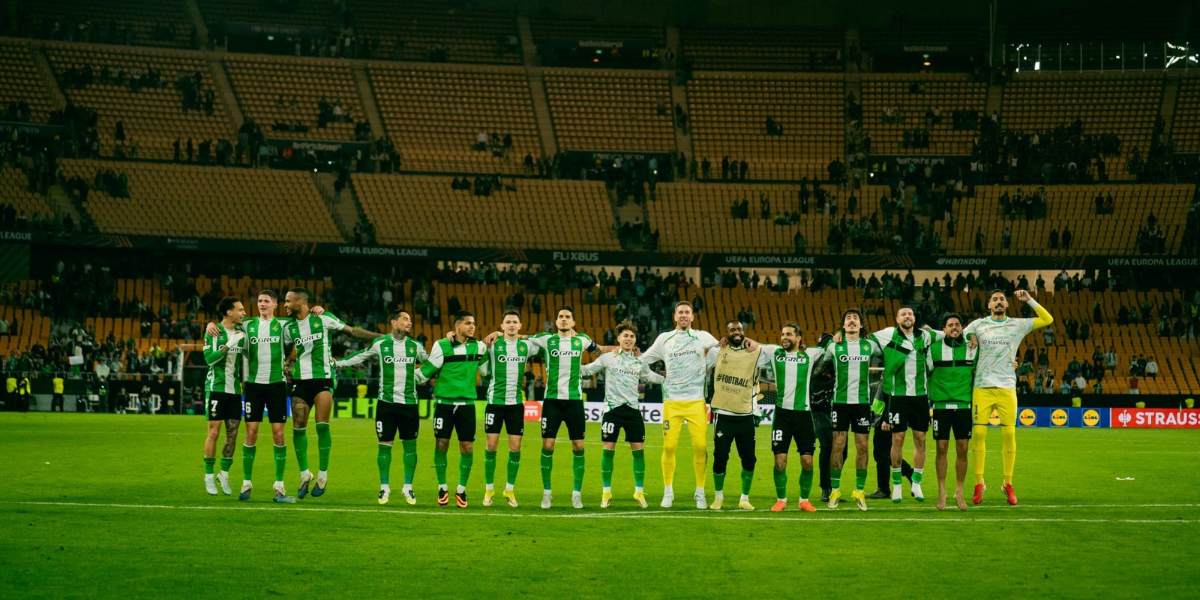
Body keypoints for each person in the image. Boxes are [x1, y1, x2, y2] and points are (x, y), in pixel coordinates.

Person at [281, 287, 383, 499]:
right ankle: (304, 475)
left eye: (288, 301)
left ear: (301, 302)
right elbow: (282, 349)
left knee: (321, 425)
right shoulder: (288, 328)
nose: (285, 305)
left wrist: (381, 337)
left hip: (324, 379)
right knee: (298, 428)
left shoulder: (324, 318)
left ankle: (323, 475)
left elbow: (352, 332)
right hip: (300, 381)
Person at [966, 289, 1053, 506]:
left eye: (1002, 299)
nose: (998, 302)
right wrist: (971, 334)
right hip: (982, 387)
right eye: (994, 299)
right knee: (977, 433)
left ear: (1007, 305)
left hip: (1006, 387)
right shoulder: (978, 324)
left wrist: (1029, 300)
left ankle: (1008, 483)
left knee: (1009, 435)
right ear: (988, 305)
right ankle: (979, 483)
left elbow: (1047, 319)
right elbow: (955, 334)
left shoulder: (1017, 324)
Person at [334, 309, 427, 505]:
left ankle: (408, 487)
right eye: (405, 319)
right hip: (386, 404)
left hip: (409, 404)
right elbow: (360, 356)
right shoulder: (381, 343)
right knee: (385, 445)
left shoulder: (415, 346)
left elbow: (432, 363)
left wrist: (422, 376)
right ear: (394, 323)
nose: (409, 322)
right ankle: (384, 488)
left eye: (410, 320)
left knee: (410, 446)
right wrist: (338, 363)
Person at [521, 306, 606, 509]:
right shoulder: (546, 339)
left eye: (568, 317)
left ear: (573, 322)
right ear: (556, 322)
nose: (564, 319)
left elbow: (600, 349)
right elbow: (519, 336)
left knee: (578, 446)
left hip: (574, 401)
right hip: (552, 401)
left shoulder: (582, 340)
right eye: (560, 317)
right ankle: (547, 493)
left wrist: (621, 348)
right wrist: (498, 333)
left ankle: (576, 494)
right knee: (548, 445)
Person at [640, 301, 720, 509]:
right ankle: (668, 492)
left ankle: (700, 493)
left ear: (692, 317)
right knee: (669, 446)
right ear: (674, 317)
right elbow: (642, 361)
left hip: (696, 402)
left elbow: (722, 351)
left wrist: (706, 364)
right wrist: (657, 378)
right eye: (680, 312)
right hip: (672, 402)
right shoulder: (664, 339)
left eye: (687, 312)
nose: (684, 315)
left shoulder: (703, 336)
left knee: (701, 447)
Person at [579, 320, 663, 508]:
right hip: (612, 410)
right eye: (625, 335)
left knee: (639, 452)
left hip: (633, 410)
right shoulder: (609, 357)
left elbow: (649, 377)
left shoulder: (639, 360)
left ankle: (639, 492)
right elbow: (587, 370)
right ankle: (606, 492)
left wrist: (668, 379)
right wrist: (567, 367)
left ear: (635, 340)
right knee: (608, 450)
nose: (629, 339)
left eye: (632, 336)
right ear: (618, 338)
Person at [417, 311, 489, 507]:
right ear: (457, 326)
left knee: (467, 447)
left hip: (467, 406)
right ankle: (442, 487)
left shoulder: (479, 347)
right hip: (444, 404)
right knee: (441, 444)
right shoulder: (442, 345)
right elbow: (425, 372)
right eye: (467, 323)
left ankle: (461, 490)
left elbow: (487, 371)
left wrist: (497, 336)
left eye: (473, 323)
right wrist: (402, 374)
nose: (472, 326)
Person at [868, 305, 939, 503]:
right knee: (897, 440)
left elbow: (953, 333)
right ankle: (897, 484)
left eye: (910, 314)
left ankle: (916, 483)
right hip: (897, 396)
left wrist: (972, 336)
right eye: (903, 314)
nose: (907, 316)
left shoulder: (925, 336)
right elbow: (866, 340)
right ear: (897, 319)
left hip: (919, 397)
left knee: (921, 440)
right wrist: (840, 334)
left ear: (914, 318)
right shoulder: (889, 334)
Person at [759, 323, 827, 512]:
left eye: (788, 334)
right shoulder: (775, 353)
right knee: (780, 461)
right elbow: (751, 344)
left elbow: (829, 346)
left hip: (804, 416)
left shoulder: (810, 355)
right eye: (782, 334)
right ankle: (781, 500)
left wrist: (836, 335)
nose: (784, 337)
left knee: (807, 461)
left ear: (799, 338)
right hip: (782, 415)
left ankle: (804, 500)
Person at [823, 309, 883, 511]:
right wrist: (833, 335)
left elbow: (887, 347)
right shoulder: (834, 345)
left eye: (855, 318)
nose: (851, 321)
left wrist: (871, 335)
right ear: (843, 324)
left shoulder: (870, 345)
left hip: (862, 403)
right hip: (840, 403)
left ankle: (859, 491)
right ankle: (835, 490)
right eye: (848, 318)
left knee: (863, 447)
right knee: (838, 445)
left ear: (861, 325)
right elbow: (820, 350)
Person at [238, 290, 294, 502]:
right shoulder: (247, 325)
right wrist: (210, 325)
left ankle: (279, 483)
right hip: (253, 385)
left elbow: (303, 320)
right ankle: (246, 482)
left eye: (266, 301)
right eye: (260, 301)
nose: (261, 304)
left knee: (278, 435)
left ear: (275, 305)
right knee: (251, 433)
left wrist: (318, 311)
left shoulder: (283, 325)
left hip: (277, 385)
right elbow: (226, 323)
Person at [706, 320, 768, 510]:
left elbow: (779, 353)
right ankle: (718, 497)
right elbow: (700, 365)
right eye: (732, 330)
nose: (736, 332)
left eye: (739, 329)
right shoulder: (717, 351)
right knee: (720, 457)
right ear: (726, 333)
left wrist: (752, 341)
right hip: (723, 415)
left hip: (745, 415)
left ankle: (744, 498)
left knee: (749, 459)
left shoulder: (755, 351)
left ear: (744, 332)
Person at [481, 310, 532, 508]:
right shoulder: (492, 345)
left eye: (515, 322)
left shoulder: (526, 346)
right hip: (495, 402)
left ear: (520, 326)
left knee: (515, 448)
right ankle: (489, 488)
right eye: (507, 322)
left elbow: (543, 339)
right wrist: (496, 335)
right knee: (491, 446)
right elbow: (482, 366)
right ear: (502, 326)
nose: (511, 325)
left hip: (516, 404)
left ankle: (509, 489)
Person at [927, 314, 975, 511]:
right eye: (950, 325)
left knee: (963, 449)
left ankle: (959, 491)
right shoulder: (934, 349)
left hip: (964, 406)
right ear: (944, 329)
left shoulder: (972, 348)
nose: (954, 328)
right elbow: (924, 372)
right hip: (940, 407)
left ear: (962, 328)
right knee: (941, 449)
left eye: (957, 324)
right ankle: (941, 492)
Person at [202, 296, 246, 496]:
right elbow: (209, 360)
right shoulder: (214, 332)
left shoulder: (242, 332)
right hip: (216, 388)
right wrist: (229, 344)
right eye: (240, 309)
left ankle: (224, 474)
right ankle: (209, 477)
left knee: (233, 434)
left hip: (235, 391)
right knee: (214, 432)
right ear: (229, 312)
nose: (244, 313)